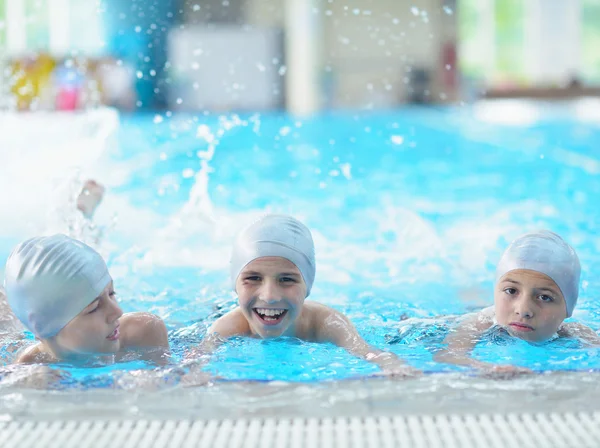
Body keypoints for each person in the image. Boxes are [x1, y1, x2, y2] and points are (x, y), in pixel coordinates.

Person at [186, 214, 418, 377]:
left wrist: (391, 364)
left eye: (286, 279)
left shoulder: (327, 323)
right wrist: (194, 374)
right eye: (253, 278)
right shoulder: (229, 325)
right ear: (235, 284)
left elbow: (366, 351)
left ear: (307, 285)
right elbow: (197, 358)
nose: (269, 296)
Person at [434, 230, 600, 373]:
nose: (523, 310)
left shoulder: (576, 332)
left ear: (568, 309)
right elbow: (448, 357)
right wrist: (484, 368)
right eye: (511, 291)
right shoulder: (479, 323)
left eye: (544, 297)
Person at [4, 234, 170, 366]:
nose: (117, 311)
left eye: (112, 293)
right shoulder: (30, 370)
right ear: (44, 327)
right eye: (95, 308)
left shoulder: (143, 333)